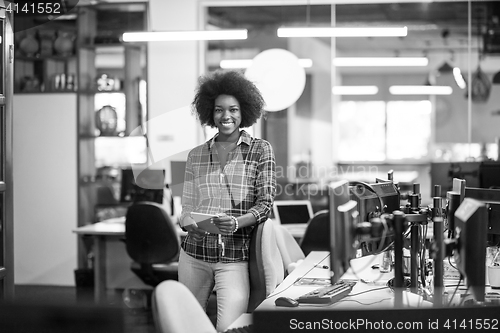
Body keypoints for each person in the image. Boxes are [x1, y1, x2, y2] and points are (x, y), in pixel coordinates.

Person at [178, 70, 276, 331]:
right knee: (187, 326)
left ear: (244, 111)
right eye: (219, 110)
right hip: (194, 254)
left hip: (234, 257)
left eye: (233, 109)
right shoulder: (195, 155)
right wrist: (189, 224)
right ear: (210, 112)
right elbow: (187, 207)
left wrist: (235, 222)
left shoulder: (260, 149)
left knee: (229, 328)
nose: (226, 116)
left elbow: (265, 204)